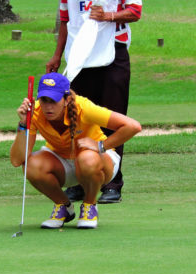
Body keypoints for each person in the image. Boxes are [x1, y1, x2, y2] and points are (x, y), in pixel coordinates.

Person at [10, 73, 141, 229]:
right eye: (44, 100)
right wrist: (24, 124)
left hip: (99, 162)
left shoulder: (83, 107)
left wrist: (101, 146)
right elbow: (17, 160)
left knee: (86, 158)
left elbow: (133, 126)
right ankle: (63, 206)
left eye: (53, 101)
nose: (48, 107)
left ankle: (89, 206)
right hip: (63, 163)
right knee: (30, 165)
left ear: (66, 100)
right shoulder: (35, 112)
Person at [46, 0, 142, 204]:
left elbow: (135, 12)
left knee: (113, 120)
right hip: (79, 56)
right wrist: (57, 56)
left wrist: (108, 16)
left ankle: (112, 184)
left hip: (113, 54)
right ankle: (79, 182)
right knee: (77, 119)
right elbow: (65, 21)